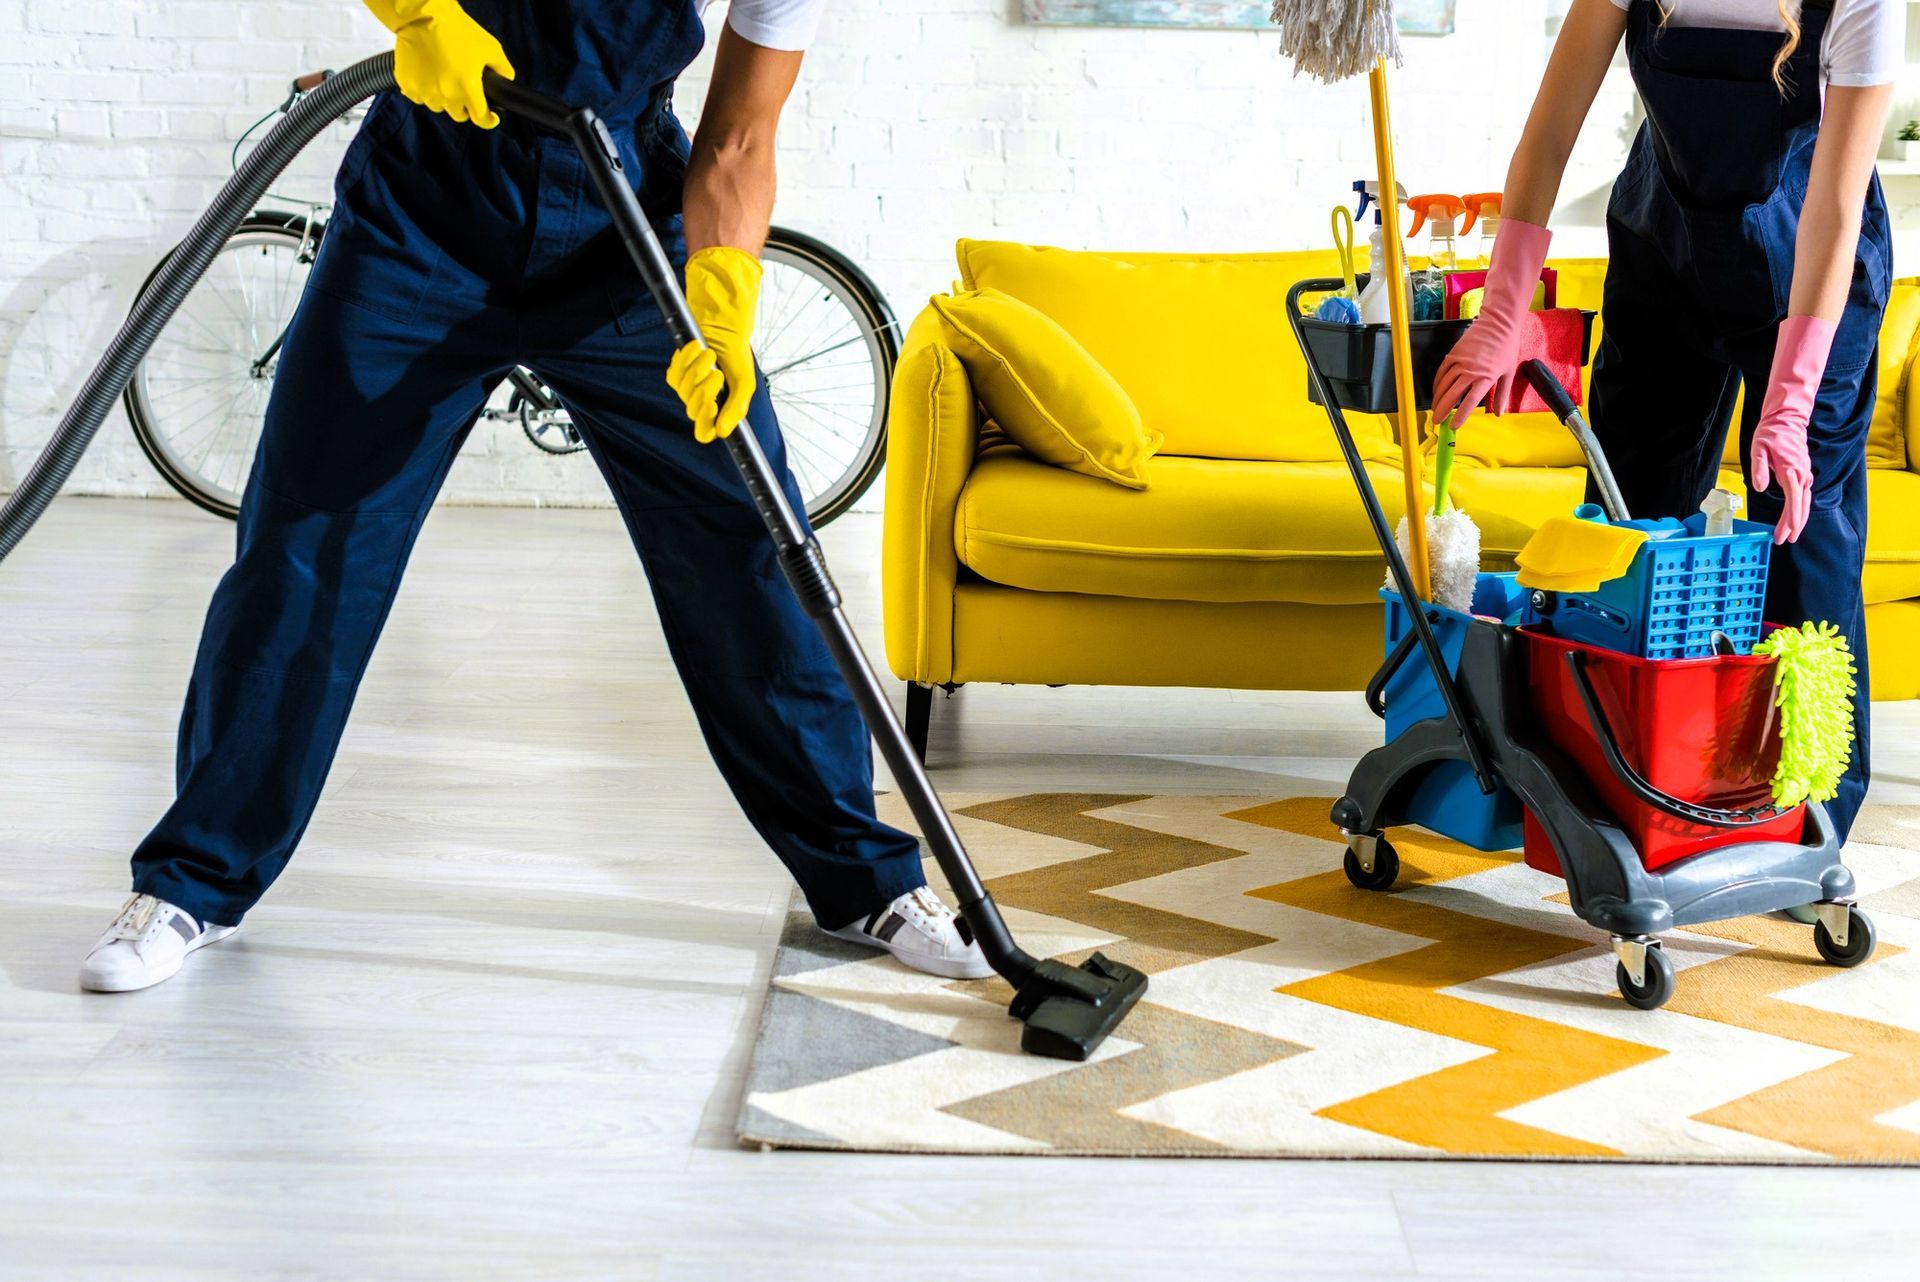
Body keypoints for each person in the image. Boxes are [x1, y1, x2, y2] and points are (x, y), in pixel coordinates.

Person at [80, 0, 990, 992]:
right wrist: (419, 11)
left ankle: (866, 882)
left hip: (622, 221)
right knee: (307, 545)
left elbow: (739, 135)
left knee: (748, 542)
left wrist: (722, 299)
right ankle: (194, 882)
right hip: (422, 216)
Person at [1435, 0, 1897, 843]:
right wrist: (1504, 309)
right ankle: (1630, 780)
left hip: (1811, 272)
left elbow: (1833, 206)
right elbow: (1548, 137)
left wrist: (1790, 403)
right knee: (1626, 524)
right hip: (1666, 254)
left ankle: (1811, 816)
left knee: (1802, 534)